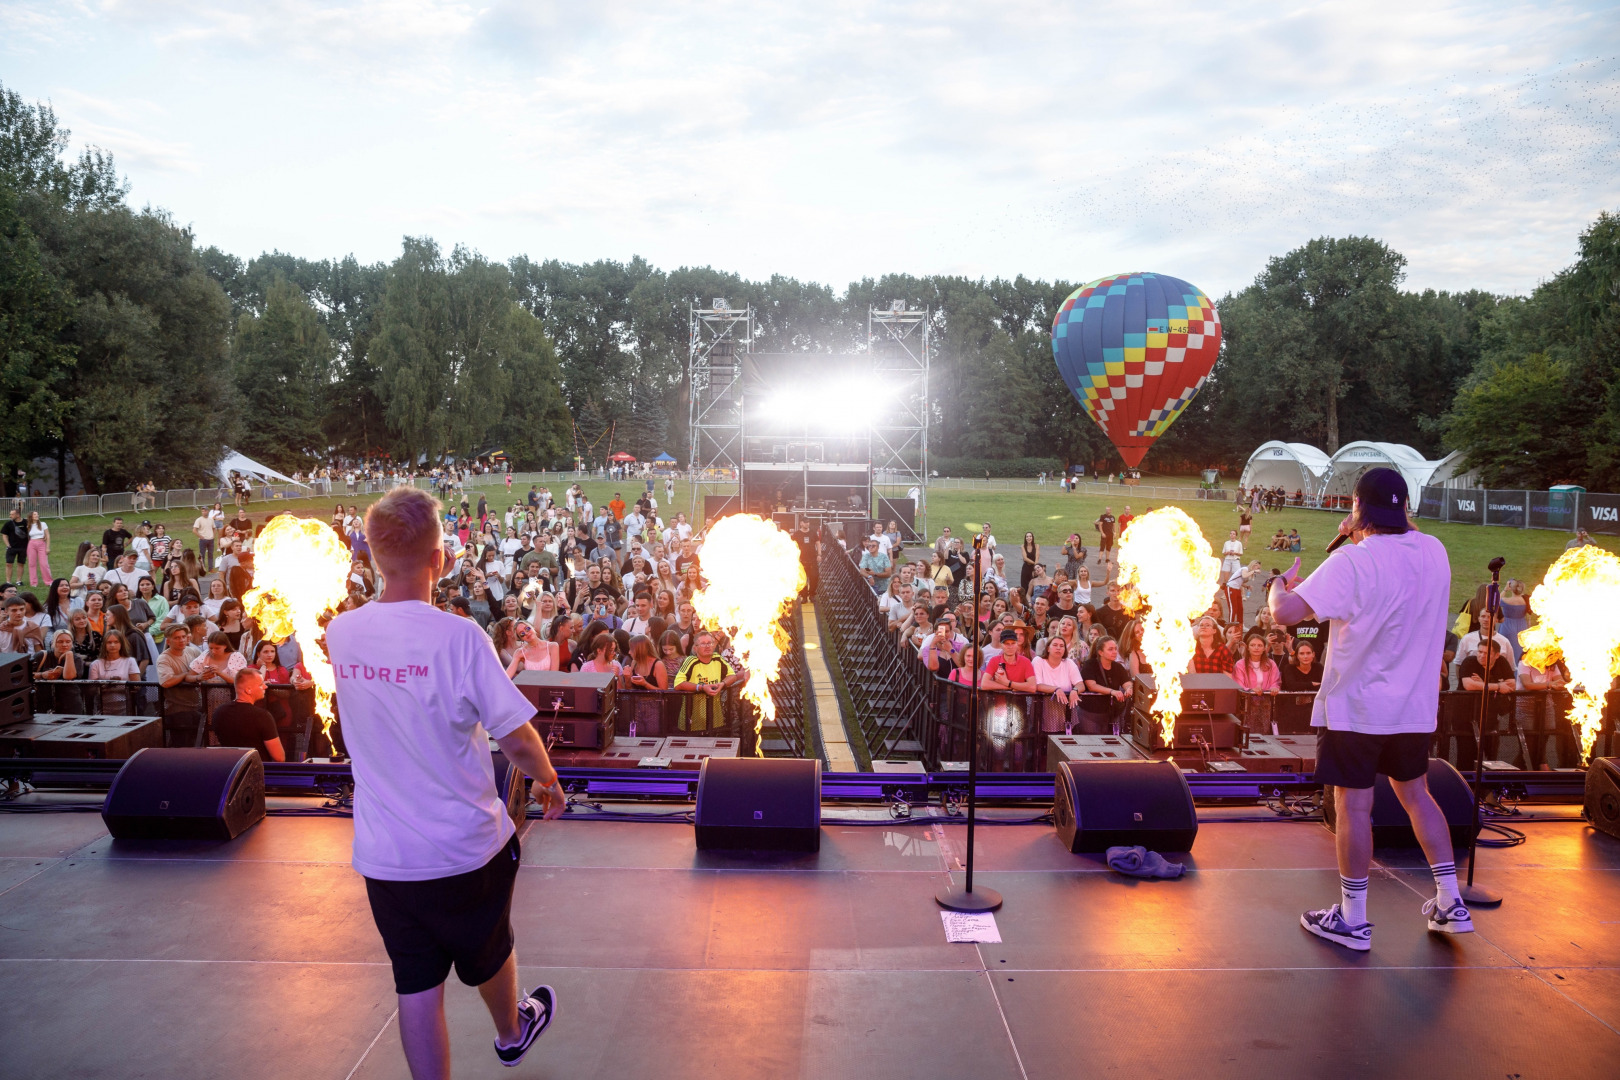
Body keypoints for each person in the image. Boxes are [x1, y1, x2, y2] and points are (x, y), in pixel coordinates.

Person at [325, 486, 563, 1076]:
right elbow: (515, 735)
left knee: (416, 986)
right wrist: (549, 782)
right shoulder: (460, 637)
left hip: (384, 856)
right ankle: (512, 1031)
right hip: (464, 849)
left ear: (375, 558)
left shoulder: (342, 634)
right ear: (441, 559)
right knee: (489, 950)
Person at [1270, 467, 1471, 951]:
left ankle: (1353, 917)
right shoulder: (1435, 551)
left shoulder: (1352, 563)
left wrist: (1279, 582)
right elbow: (1408, 535)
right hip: (1413, 708)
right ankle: (1450, 901)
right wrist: (1361, 527)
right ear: (1404, 508)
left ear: (1357, 509)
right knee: (1417, 795)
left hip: (1356, 708)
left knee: (1353, 804)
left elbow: (1287, 615)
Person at [211, 667, 285, 762]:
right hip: (257, 770)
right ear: (248, 690)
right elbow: (279, 757)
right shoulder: (262, 716)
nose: (265, 686)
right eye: (261, 684)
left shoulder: (219, 712)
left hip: (230, 769)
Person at [673, 630, 741, 732]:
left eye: (710, 643)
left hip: (714, 720)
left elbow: (732, 676)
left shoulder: (718, 659)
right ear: (695, 648)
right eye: (703, 644)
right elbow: (678, 684)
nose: (707, 646)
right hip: (691, 721)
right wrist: (701, 687)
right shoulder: (690, 661)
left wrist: (722, 684)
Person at [1079, 635, 1132, 734]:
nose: (1115, 652)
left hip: (1111, 714)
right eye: (1110, 649)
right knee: (1091, 744)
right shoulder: (1090, 665)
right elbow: (1092, 686)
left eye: (1115, 649)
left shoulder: (1118, 667)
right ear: (1100, 652)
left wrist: (1129, 689)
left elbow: (1127, 683)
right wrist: (1112, 692)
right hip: (1091, 713)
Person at [1032, 634, 1083, 732]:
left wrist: (1075, 690)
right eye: (1055, 645)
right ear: (1048, 648)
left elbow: (1080, 684)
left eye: (1061, 646)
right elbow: (1036, 685)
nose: (1058, 648)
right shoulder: (1038, 661)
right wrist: (1056, 689)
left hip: (1065, 710)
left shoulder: (1069, 663)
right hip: (1043, 709)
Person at [2, 508, 28, 584]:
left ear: (18, 515)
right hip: (11, 547)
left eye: (12, 514)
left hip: (23, 547)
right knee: (9, 564)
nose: (10, 516)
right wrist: (8, 545)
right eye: (10, 514)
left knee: (21, 564)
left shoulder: (26, 522)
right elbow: (4, 535)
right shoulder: (8, 524)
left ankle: (18, 581)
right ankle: (8, 582)